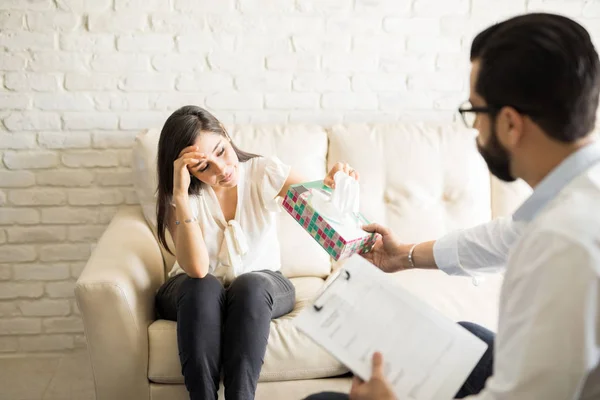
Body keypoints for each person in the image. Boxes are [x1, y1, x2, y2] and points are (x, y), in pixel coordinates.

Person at [306, 12, 600, 400]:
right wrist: (404, 256)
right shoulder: (576, 195)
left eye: (475, 111)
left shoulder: (562, 244)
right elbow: (504, 238)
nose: (475, 128)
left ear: (511, 124)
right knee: (466, 336)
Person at [153, 105, 359, 400]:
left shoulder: (263, 171)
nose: (222, 170)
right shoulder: (182, 197)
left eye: (221, 151)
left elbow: (317, 203)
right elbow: (197, 269)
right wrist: (181, 196)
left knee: (250, 283)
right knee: (204, 286)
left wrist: (334, 182)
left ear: (224, 133)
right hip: (191, 290)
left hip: (261, 285)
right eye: (203, 168)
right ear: (187, 172)